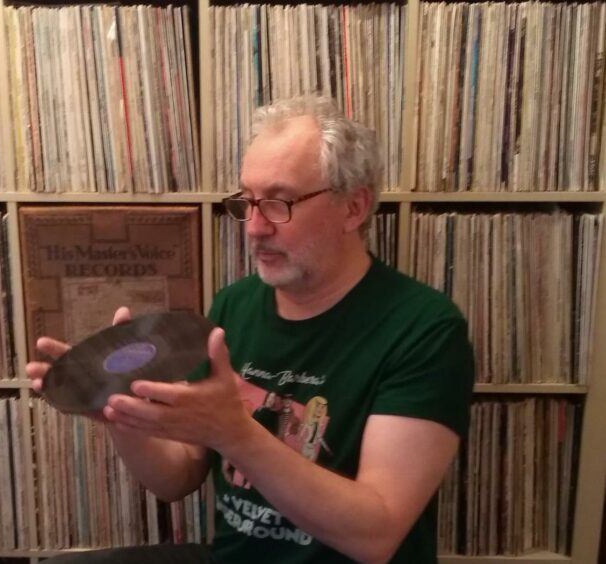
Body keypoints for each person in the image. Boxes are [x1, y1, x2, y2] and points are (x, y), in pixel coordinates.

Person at [27, 95, 474, 564]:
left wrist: (236, 434)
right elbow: (175, 479)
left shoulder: (425, 329)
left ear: (353, 208)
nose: (255, 227)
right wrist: (121, 414)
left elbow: (375, 535)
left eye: (279, 202)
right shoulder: (234, 304)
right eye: (247, 201)